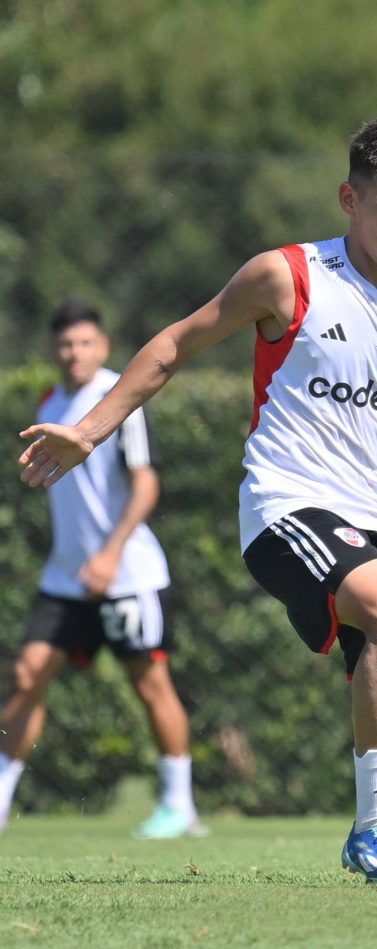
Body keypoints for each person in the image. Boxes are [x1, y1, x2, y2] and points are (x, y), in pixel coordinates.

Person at [18, 117, 377, 886]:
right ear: (347, 199)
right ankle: (372, 830)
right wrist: (91, 432)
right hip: (286, 504)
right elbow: (171, 347)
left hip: (374, 513)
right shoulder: (286, 276)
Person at [0, 302, 200, 839]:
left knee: (150, 684)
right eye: (66, 344)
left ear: (104, 346)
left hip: (126, 574)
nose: (75, 353)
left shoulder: (119, 398)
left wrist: (110, 553)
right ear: (53, 350)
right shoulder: (51, 403)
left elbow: (146, 485)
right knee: (26, 677)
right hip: (65, 576)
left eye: (85, 343)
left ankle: (179, 806)